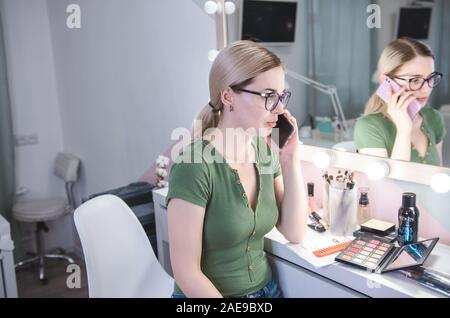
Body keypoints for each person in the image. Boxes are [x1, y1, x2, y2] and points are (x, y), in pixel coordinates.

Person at [165, 40, 308, 298]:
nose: (280, 108)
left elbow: (295, 232)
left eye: (281, 96)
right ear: (228, 96)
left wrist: (290, 160)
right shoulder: (194, 166)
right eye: (268, 96)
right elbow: (186, 272)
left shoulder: (265, 151)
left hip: (268, 290)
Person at [354, 37, 446, 166]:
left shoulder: (434, 118)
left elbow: (438, 176)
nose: (427, 88)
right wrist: (404, 130)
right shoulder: (369, 127)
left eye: (431, 78)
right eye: (415, 80)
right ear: (386, 82)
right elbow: (383, 185)